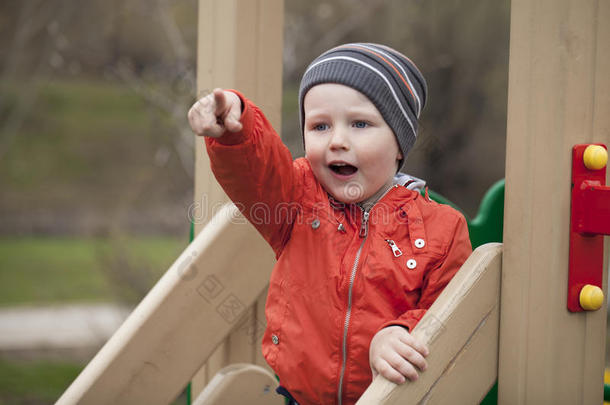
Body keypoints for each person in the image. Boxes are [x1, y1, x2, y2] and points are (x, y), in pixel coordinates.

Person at [188, 43, 472, 405]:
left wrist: (398, 332)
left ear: (399, 144)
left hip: (395, 398)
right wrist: (236, 126)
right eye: (320, 126)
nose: (337, 141)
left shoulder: (441, 229)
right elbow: (255, 172)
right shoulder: (296, 198)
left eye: (360, 124)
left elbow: (449, 310)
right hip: (301, 398)